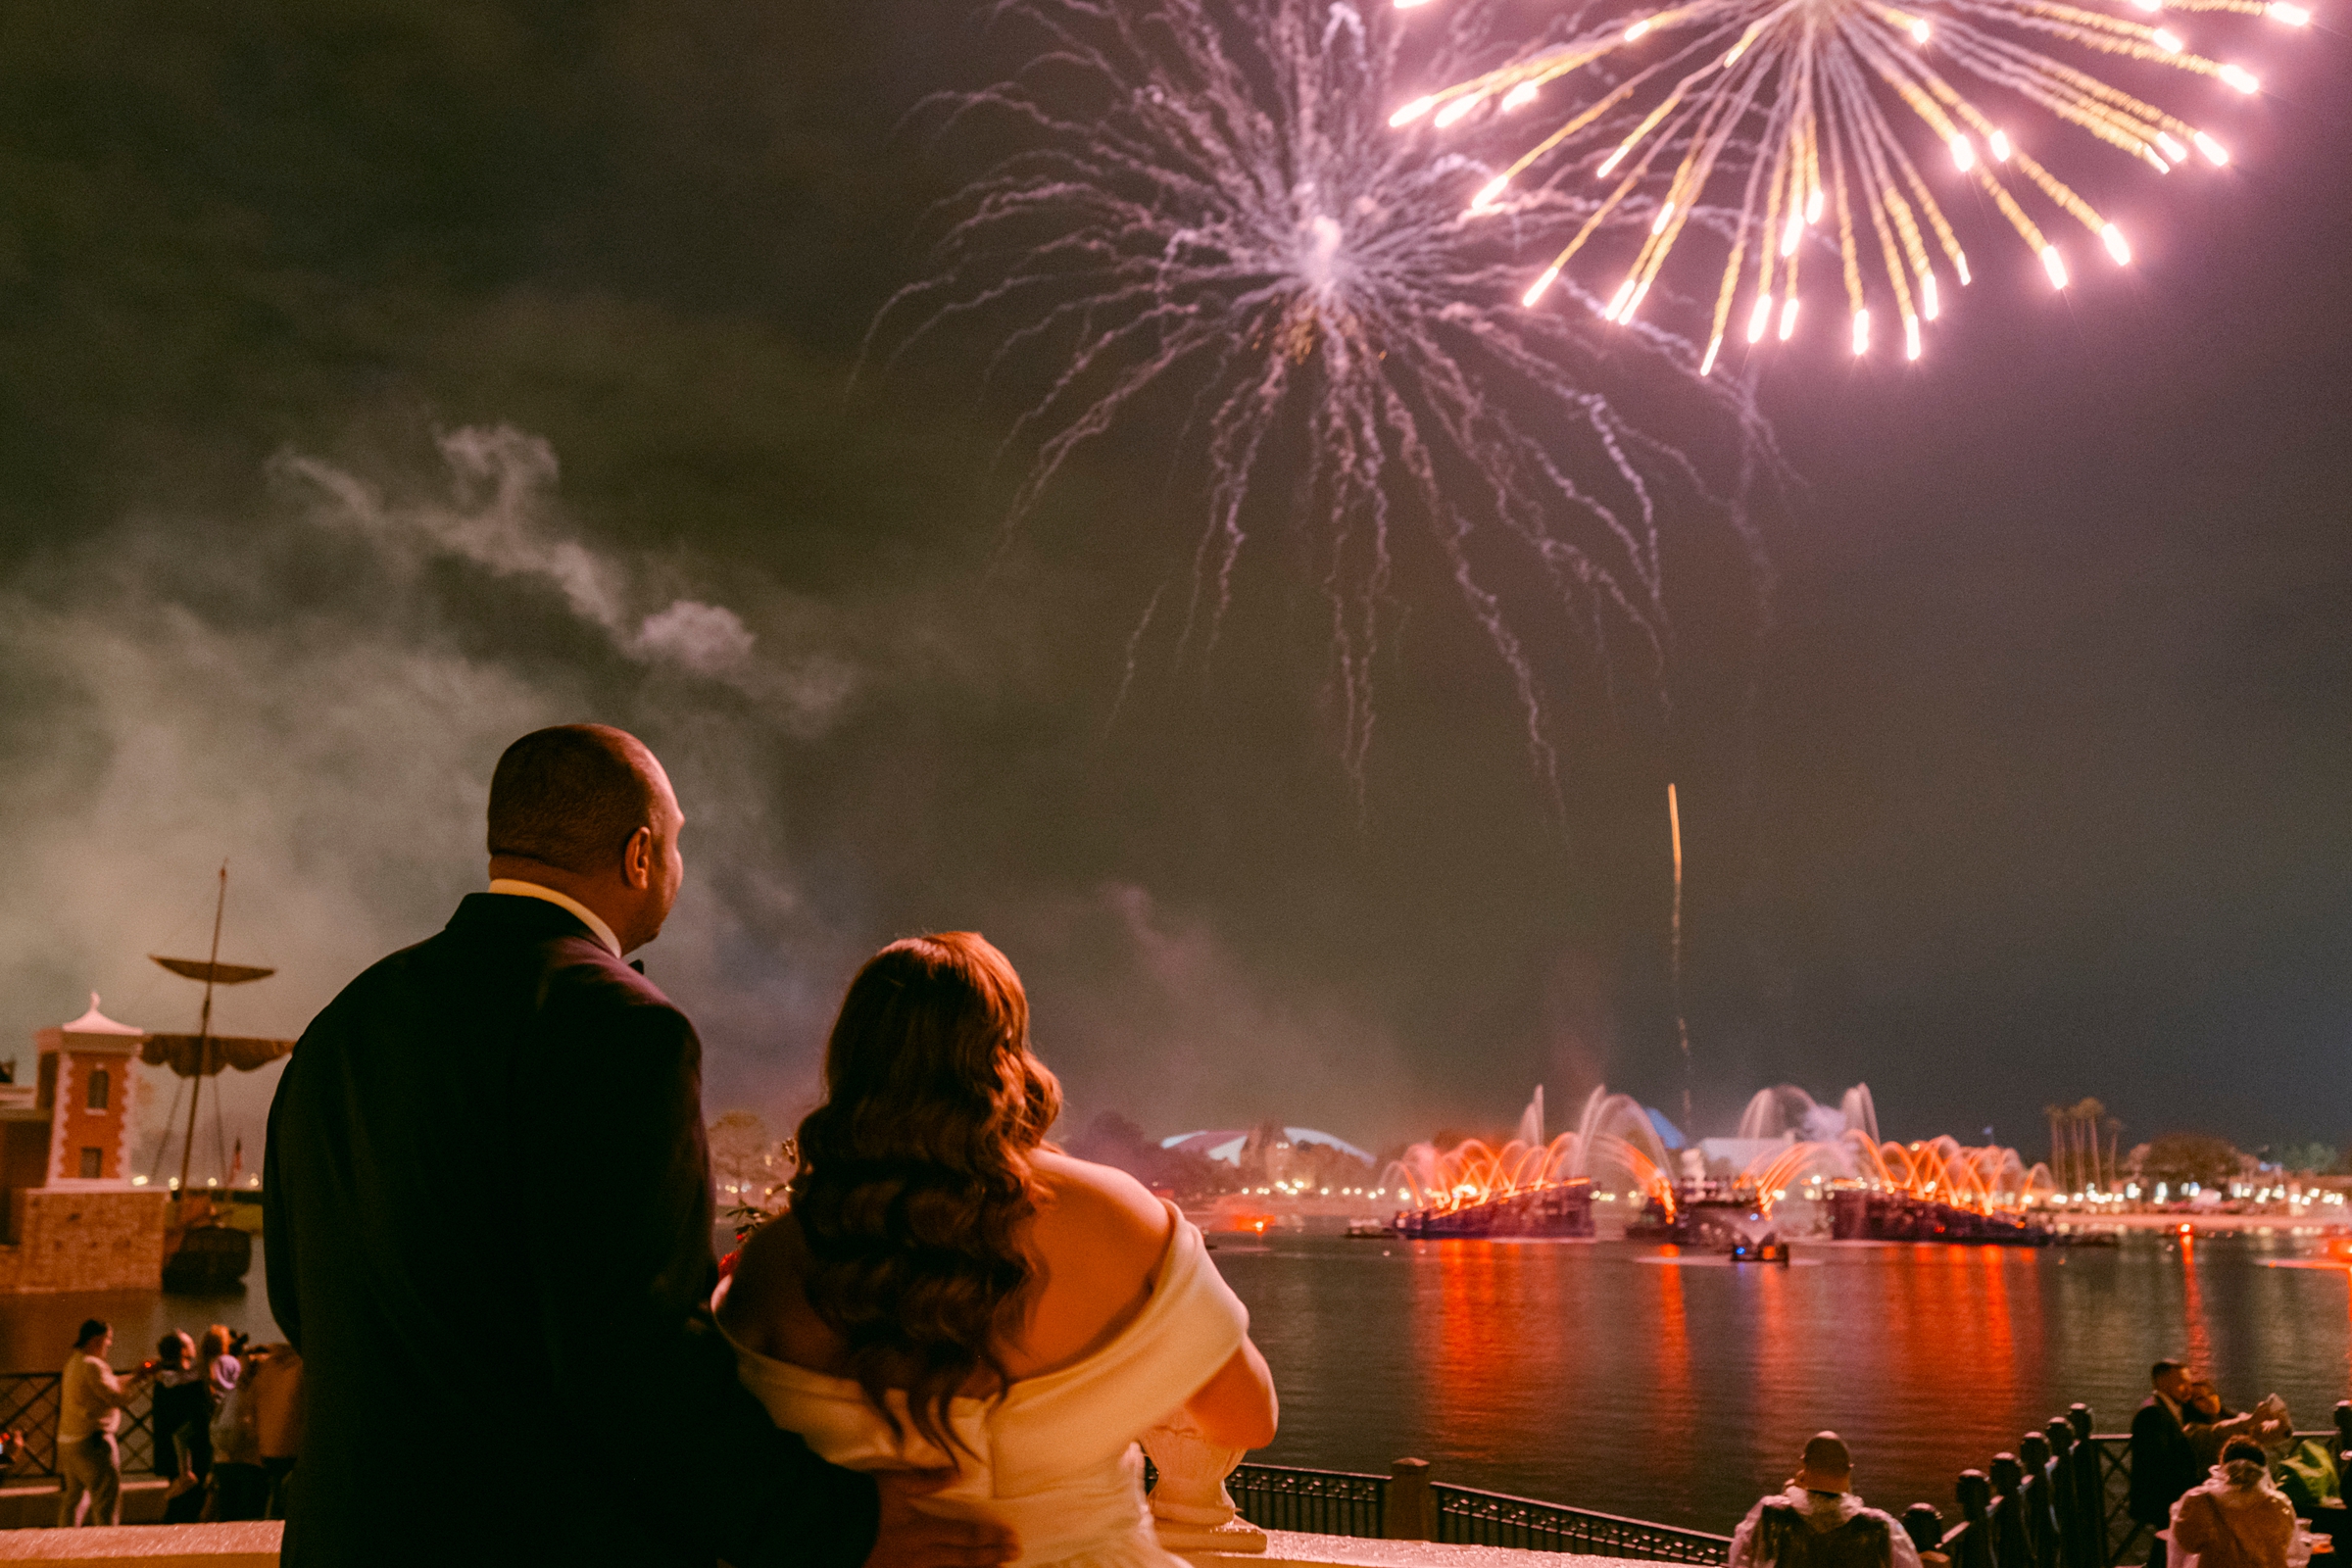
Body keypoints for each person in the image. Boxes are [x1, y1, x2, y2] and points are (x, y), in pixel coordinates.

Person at [265, 724, 1014, 1568]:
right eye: (677, 844)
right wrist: (838, 1524)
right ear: (640, 854)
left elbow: (298, 1298)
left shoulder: (346, 1021)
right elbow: (634, 1356)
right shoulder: (616, 1025)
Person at [716, 932, 1282, 1568]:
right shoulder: (1118, 1217)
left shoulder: (777, 1260)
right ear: (1007, 1054)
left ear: (851, 1060)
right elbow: (1247, 1418)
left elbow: (711, 1453)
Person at [1729, 1433, 1924, 1568]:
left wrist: (1790, 1494)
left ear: (1804, 1467)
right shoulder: (1878, 1526)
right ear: (1848, 1471)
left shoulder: (1772, 1514)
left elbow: (1741, 1559)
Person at [2138, 1360, 2244, 1566]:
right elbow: (2162, 1460)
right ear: (2162, 1382)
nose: (2188, 1388)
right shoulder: (2153, 1412)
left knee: (2169, 1543)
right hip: (2165, 1496)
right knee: (2168, 1541)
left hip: (2171, 1495)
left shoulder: (2171, 1409)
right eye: (2181, 1383)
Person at [57, 1319, 156, 1527]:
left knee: (74, 1498)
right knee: (105, 1499)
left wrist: (135, 1376)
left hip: (68, 1441)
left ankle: (64, 1539)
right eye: (108, 1339)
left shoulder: (75, 1361)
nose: (110, 1344)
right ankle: (107, 1542)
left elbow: (106, 1385)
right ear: (96, 1340)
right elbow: (116, 1397)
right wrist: (139, 1384)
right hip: (92, 1442)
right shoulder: (93, 1365)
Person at [2170, 1438, 2301, 1568]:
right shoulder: (2278, 1505)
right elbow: (2289, 1549)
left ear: (2223, 1467)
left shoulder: (2200, 1501)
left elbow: (2188, 1544)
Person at [150, 1330, 211, 1523]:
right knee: (190, 1500)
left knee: (181, 1499)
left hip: (170, 1451)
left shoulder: (163, 1380)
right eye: (190, 1343)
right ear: (183, 1350)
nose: (194, 1347)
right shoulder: (190, 1382)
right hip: (193, 1449)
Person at [243, 1341, 304, 1519]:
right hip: (292, 1443)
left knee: (275, 1490)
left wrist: (256, 1435)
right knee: (287, 1494)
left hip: (268, 1444)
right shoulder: (300, 1366)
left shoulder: (267, 1368)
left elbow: (253, 1404)